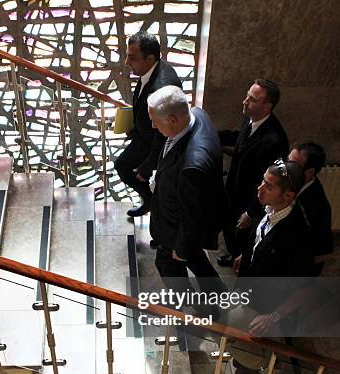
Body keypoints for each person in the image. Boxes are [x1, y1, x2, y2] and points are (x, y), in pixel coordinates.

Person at [228, 160, 314, 374]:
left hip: (268, 306)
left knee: (231, 330)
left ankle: (261, 364)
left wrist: (272, 317)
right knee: (234, 328)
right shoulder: (269, 207)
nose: (260, 188)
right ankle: (246, 356)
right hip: (249, 291)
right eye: (262, 181)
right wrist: (245, 256)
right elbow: (260, 236)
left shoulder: (298, 237)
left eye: (269, 186)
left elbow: (305, 289)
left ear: (288, 196)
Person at [147, 85, 226, 312]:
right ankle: (217, 292)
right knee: (197, 258)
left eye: (155, 121)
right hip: (183, 220)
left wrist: (181, 249)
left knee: (169, 266)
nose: (153, 126)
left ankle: (204, 309)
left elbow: (192, 216)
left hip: (175, 230)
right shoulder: (197, 114)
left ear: (172, 119)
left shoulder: (192, 166)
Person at [217, 79, 289, 266]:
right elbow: (238, 137)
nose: (245, 101)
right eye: (247, 96)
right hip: (233, 191)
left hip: (249, 200)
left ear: (267, 106)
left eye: (252, 99)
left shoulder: (275, 140)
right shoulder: (251, 118)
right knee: (230, 231)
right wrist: (212, 134)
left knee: (242, 236)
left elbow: (268, 183)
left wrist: (250, 212)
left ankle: (241, 263)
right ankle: (234, 255)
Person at [115, 31, 182, 218]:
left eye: (132, 58)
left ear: (150, 58)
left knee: (123, 166)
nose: (127, 63)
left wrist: (149, 164)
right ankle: (149, 199)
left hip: (154, 143)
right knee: (122, 165)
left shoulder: (161, 87)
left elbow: (164, 134)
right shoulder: (151, 70)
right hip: (144, 135)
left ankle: (153, 202)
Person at [288, 142, 334, 275]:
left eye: (293, 165)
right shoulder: (290, 182)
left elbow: (324, 253)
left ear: (309, 172)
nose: (285, 168)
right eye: (287, 160)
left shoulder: (317, 208)